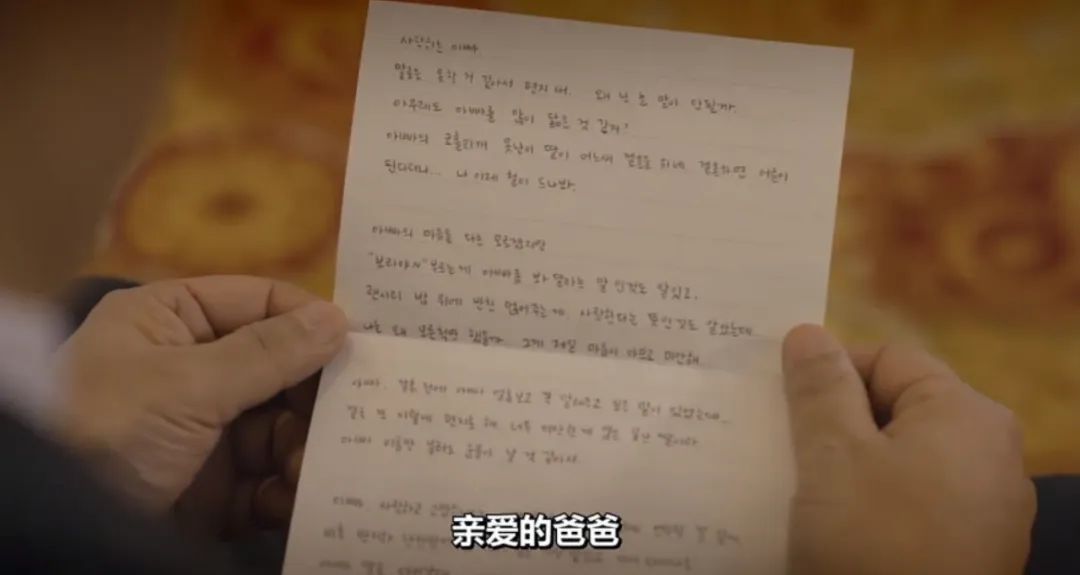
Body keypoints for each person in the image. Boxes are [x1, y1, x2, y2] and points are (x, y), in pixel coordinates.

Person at [0, 2, 1074, 574]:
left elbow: (532, 532)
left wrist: (91, 459)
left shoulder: (78, 440)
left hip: (336, 515)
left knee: (522, 534)